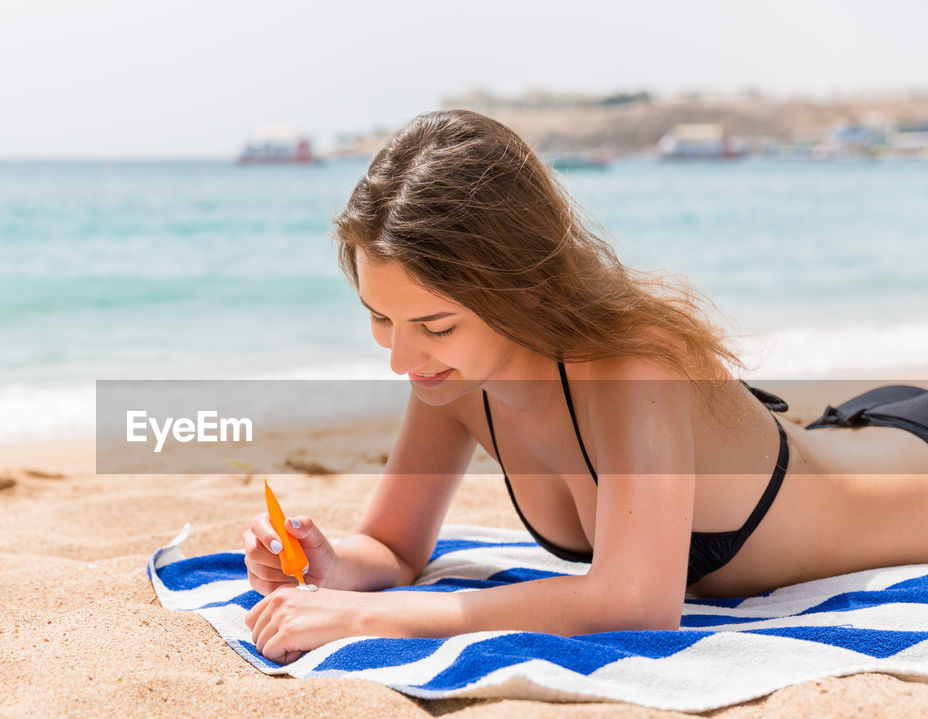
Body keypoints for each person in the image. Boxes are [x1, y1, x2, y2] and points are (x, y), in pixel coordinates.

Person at [241, 110, 928, 665]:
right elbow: (392, 547)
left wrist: (368, 615)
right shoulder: (451, 380)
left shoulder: (634, 363)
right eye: (379, 318)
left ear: (526, 288)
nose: (402, 358)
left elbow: (636, 604)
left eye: (435, 325)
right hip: (847, 435)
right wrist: (332, 568)